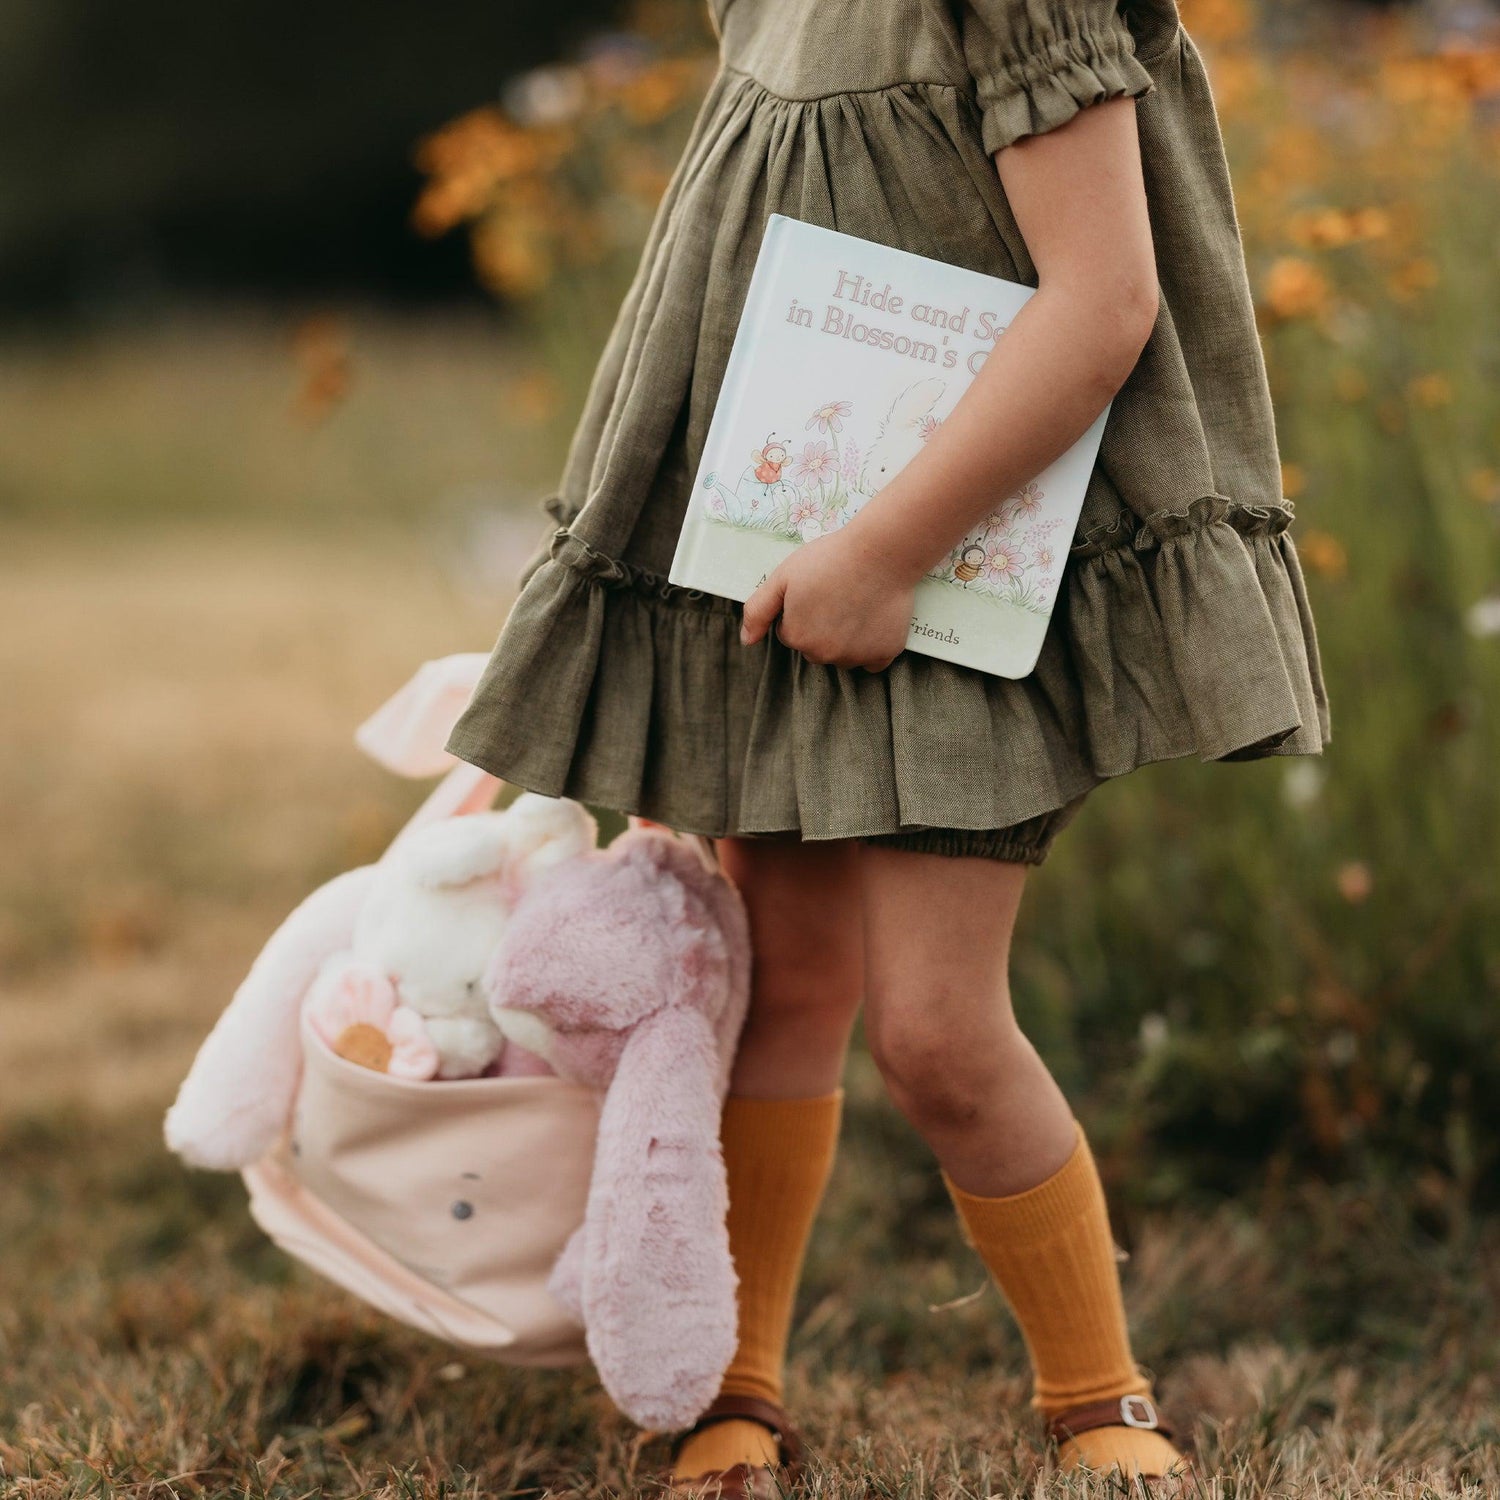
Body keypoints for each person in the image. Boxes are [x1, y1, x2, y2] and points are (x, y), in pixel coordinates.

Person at [448, 0, 1329, 1490]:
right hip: (776, 553)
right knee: (781, 992)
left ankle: (1101, 1403)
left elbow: (1104, 305)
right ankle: (738, 1386)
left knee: (935, 1033)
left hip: (958, 564)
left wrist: (888, 550)